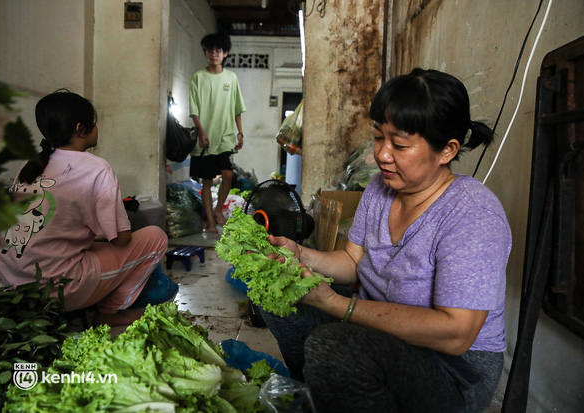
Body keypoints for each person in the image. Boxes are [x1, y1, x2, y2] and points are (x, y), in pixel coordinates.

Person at [260, 68, 512, 413]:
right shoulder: (380, 189)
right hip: (382, 336)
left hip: (453, 370)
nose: (382, 154)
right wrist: (300, 253)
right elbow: (353, 262)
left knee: (334, 348)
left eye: (400, 144)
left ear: (447, 151)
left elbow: (457, 334)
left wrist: (336, 304)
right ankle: (325, 393)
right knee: (275, 291)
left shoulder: (472, 214)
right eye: (379, 137)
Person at [0, 90, 171, 327]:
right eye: (94, 123)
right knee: (155, 237)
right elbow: (121, 240)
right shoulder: (97, 168)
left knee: (89, 244)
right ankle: (109, 313)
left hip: (5, 281)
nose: (97, 128)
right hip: (51, 288)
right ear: (80, 129)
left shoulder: (30, 164)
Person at [189, 33, 246, 233]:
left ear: (225, 53)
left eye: (218, 50)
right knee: (206, 181)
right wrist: (201, 132)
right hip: (205, 138)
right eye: (210, 50)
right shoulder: (198, 76)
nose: (214, 54)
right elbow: (194, 109)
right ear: (205, 53)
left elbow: (237, 108)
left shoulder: (231, 77)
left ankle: (218, 209)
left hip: (226, 136)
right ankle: (211, 223)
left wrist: (240, 132)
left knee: (228, 175)